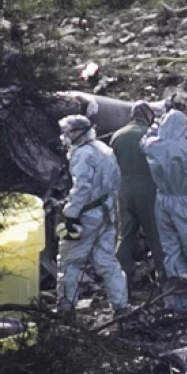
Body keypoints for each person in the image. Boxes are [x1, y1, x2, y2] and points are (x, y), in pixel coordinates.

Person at [55, 115, 129, 316]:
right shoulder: (104, 149)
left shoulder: (82, 155)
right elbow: (116, 181)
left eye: (67, 132)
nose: (64, 137)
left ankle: (66, 308)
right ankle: (121, 307)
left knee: (69, 262)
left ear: (79, 133)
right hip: (106, 214)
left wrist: (70, 213)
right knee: (107, 261)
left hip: (85, 216)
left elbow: (82, 187)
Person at [140, 109, 187, 280]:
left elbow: (143, 141)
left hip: (163, 200)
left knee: (171, 247)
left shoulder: (152, 146)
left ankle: (177, 287)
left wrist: (154, 128)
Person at [110, 100, 166, 285]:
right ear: (149, 116)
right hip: (149, 190)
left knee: (124, 237)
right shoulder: (152, 135)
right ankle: (164, 283)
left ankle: (120, 285)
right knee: (156, 237)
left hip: (124, 190)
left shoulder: (117, 136)